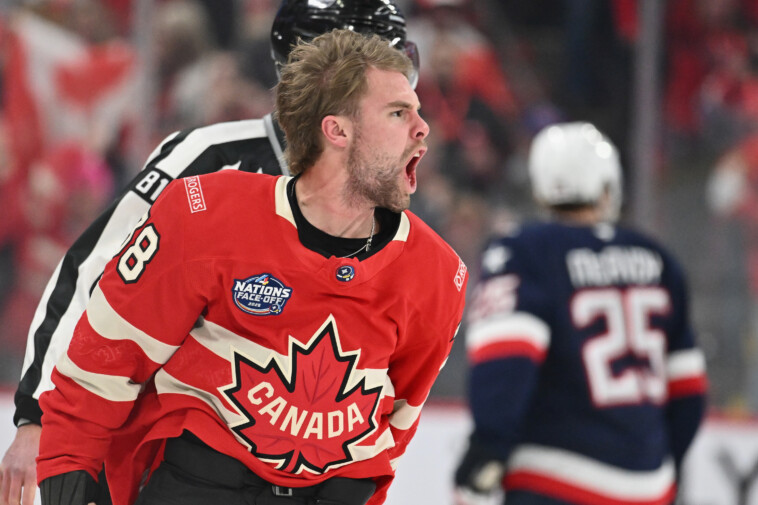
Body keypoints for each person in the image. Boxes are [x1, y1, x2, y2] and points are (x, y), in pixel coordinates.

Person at [0, 1, 420, 505]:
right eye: (386, 69)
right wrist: (38, 417)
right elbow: (93, 274)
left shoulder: (388, 192)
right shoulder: (208, 159)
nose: (406, 92)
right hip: (169, 466)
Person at [453, 122, 708, 505]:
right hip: (649, 485)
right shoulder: (657, 258)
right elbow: (688, 390)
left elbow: (504, 364)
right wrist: (656, 466)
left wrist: (486, 451)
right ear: (608, 185)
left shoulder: (526, 250)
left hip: (554, 481)